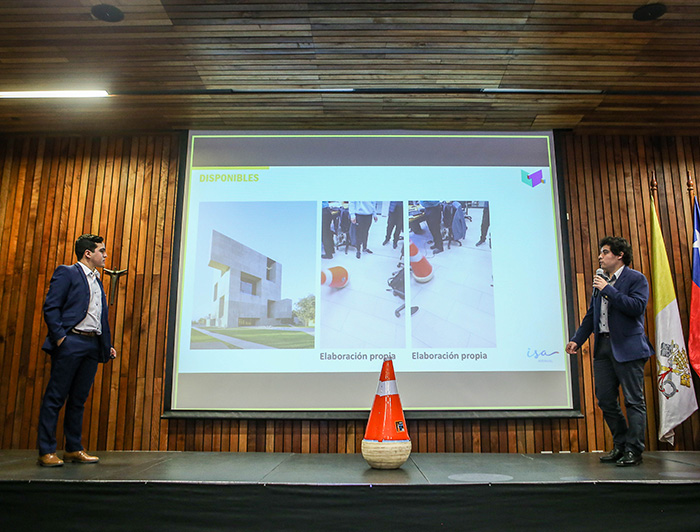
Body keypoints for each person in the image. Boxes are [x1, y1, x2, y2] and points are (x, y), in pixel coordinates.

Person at [565, 236, 652, 466]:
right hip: (603, 347)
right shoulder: (601, 282)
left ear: (619, 255)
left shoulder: (636, 279)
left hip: (628, 348)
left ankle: (634, 450)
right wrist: (577, 340)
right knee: (605, 399)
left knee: (634, 401)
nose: (600, 257)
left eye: (604, 252)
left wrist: (608, 290)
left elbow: (636, 307)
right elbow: (591, 315)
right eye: (600, 253)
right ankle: (621, 444)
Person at [37, 234, 117, 467]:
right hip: (71, 342)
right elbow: (51, 307)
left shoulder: (97, 280)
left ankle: (73, 448)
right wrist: (61, 338)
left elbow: (99, 316)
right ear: (88, 253)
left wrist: (106, 345)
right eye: (102, 250)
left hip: (93, 345)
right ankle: (47, 451)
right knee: (55, 397)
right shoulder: (68, 272)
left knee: (79, 399)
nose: (105, 255)